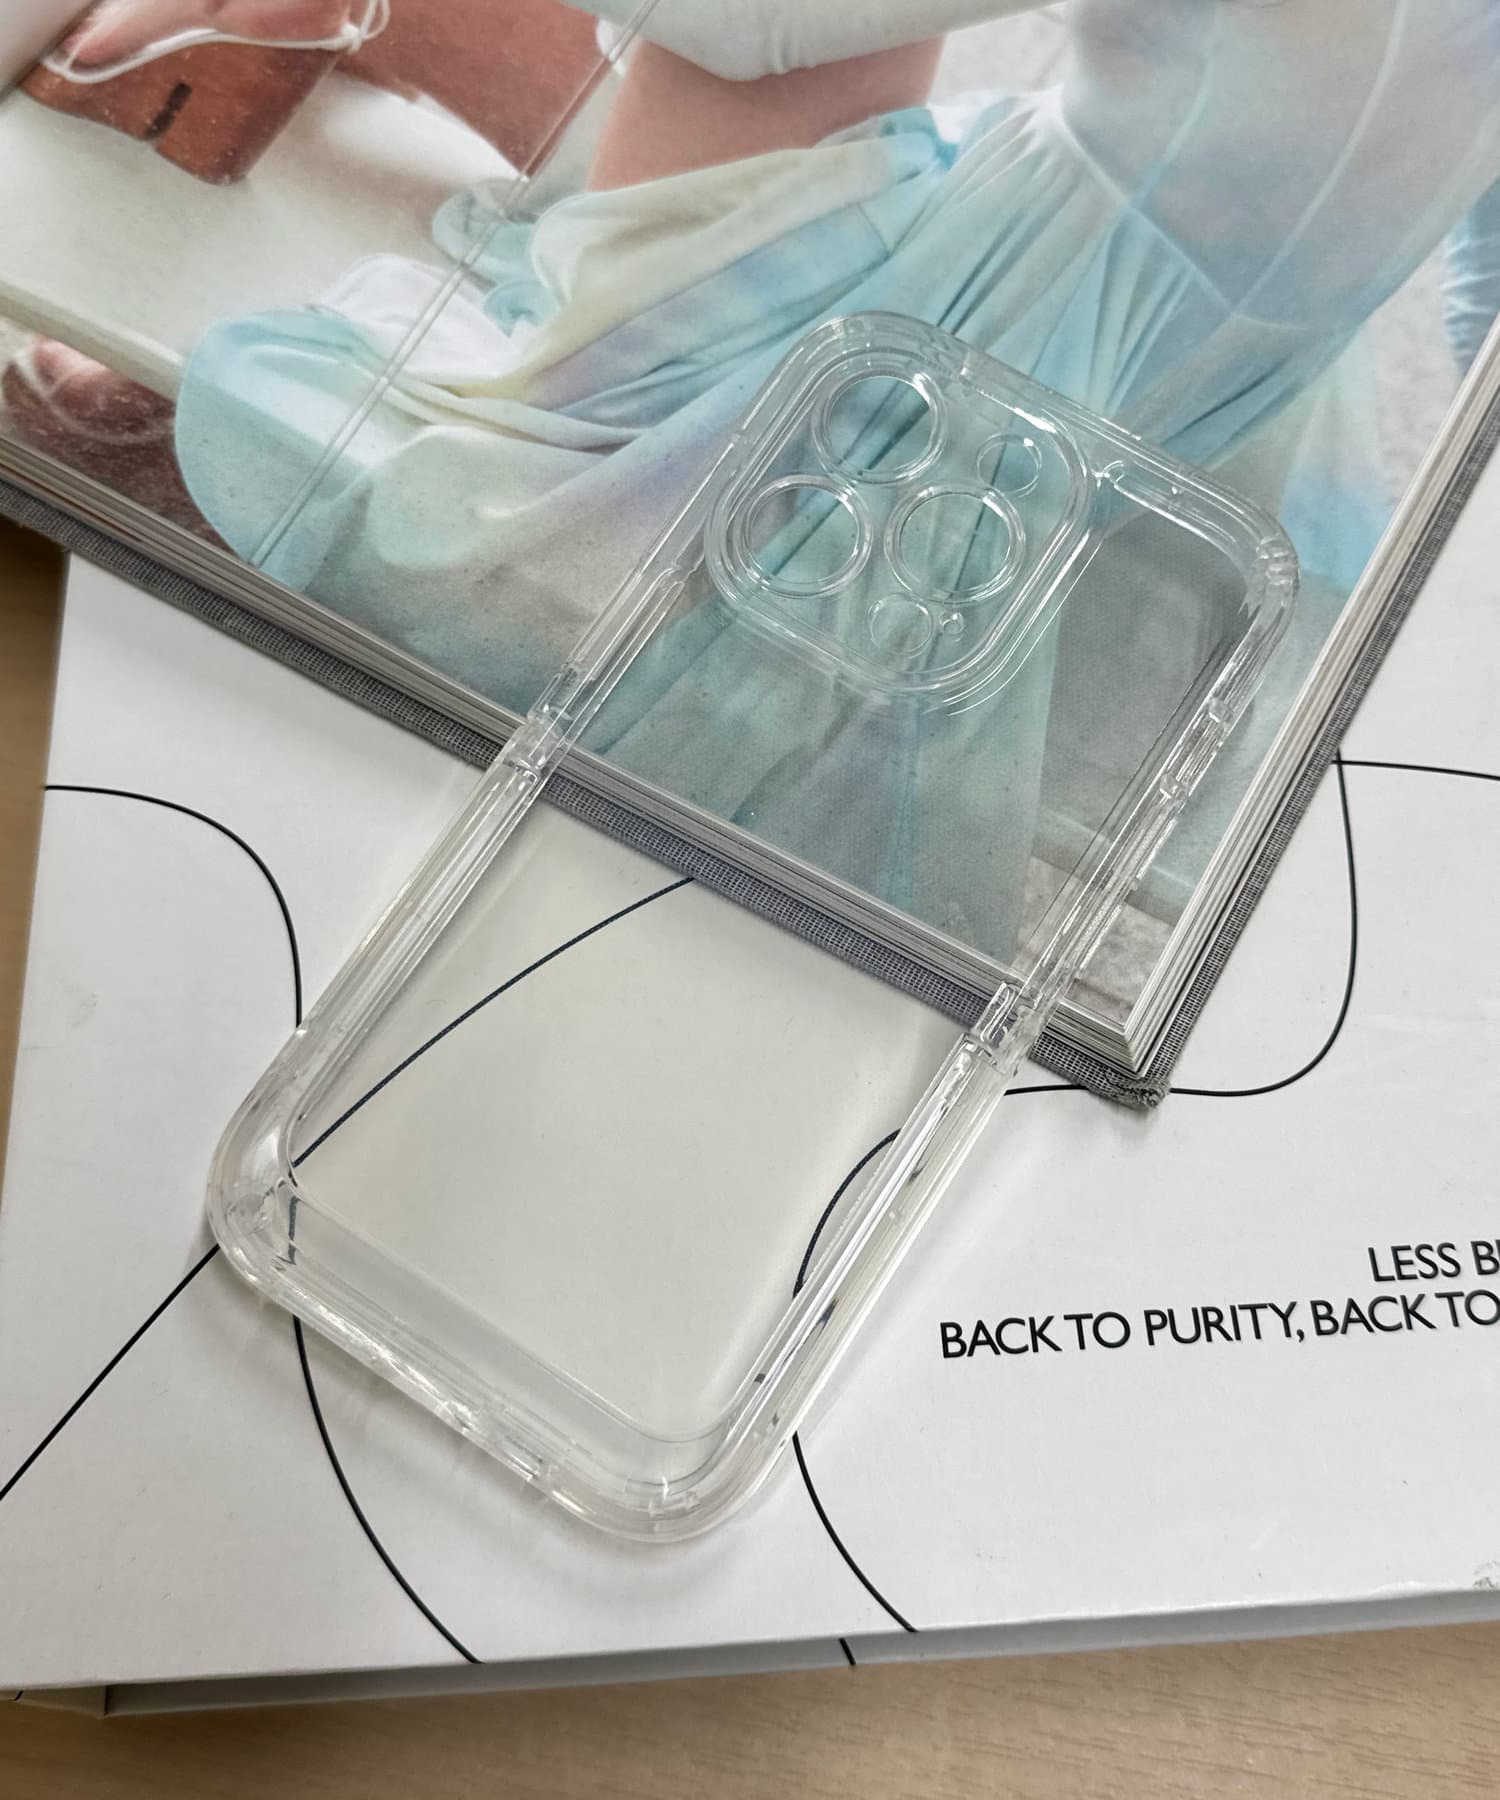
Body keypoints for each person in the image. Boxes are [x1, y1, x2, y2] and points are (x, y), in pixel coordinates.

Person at [8, 1, 1500, 953]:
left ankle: (322, 26)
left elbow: (743, 27)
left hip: (1041, 306)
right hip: (1199, 351)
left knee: (757, 81)